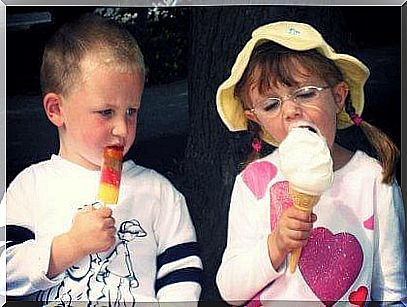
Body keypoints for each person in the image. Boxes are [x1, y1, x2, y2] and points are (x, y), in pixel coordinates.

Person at [4, 13, 202, 305]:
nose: (122, 129)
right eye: (106, 112)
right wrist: (68, 246)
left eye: (131, 111)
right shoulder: (31, 186)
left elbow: (182, 272)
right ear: (57, 109)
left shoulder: (159, 192)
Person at [215, 21, 406, 305]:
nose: (291, 110)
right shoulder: (253, 181)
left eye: (305, 94)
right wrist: (276, 245)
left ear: (339, 97)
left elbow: (392, 293)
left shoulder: (374, 180)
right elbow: (230, 290)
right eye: (271, 105)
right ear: (256, 119)